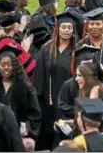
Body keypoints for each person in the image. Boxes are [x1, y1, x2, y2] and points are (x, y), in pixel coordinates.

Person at [33, 12, 79, 150]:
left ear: (73, 30)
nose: (66, 30)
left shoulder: (77, 50)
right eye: (63, 27)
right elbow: (38, 77)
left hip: (69, 102)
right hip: (50, 101)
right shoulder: (46, 49)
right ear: (57, 29)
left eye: (69, 28)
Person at [0, 47, 41, 149]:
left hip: (19, 136)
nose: (6, 68)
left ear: (15, 66)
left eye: (9, 65)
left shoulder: (25, 87)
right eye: (3, 65)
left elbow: (35, 114)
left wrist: (26, 128)